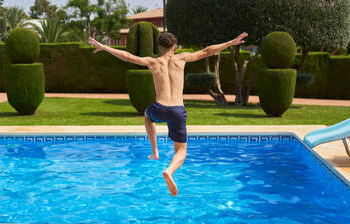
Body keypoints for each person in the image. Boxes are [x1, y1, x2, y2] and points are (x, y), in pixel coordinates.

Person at [89, 32, 248, 196]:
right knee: (181, 151)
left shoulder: (153, 62)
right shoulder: (182, 58)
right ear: (174, 47)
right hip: (178, 111)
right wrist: (231, 41)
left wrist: (104, 47)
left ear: (159, 47)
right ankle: (170, 171)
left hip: (159, 108)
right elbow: (207, 51)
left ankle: (155, 151)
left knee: (147, 115)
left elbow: (127, 57)